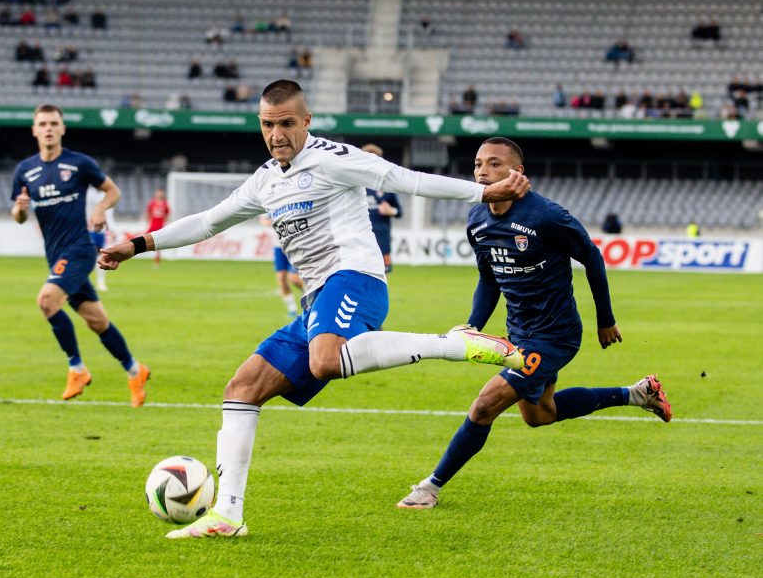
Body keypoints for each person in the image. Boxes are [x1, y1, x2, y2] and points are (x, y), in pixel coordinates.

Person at [99, 80, 530, 538]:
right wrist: (137, 244)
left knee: (323, 361)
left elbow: (402, 178)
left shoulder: (331, 158)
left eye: (286, 123)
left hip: (356, 279)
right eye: (268, 124)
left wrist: (481, 192)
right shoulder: (266, 179)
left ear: (306, 121)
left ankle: (453, 344)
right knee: (242, 388)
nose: (277, 134)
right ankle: (227, 514)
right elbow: (208, 221)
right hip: (318, 301)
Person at [395, 137, 672, 510]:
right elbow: (490, 278)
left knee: (485, 405)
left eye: (494, 163)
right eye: (478, 163)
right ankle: (638, 393)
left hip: (556, 336)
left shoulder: (546, 215)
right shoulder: (476, 217)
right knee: (541, 415)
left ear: (517, 172)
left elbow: (592, 257)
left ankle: (429, 487)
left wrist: (605, 320)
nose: (482, 171)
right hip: (521, 332)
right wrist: (473, 324)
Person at [11, 104, 150, 407]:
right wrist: (20, 209)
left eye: (54, 123)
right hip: (55, 254)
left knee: (46, 301)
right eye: (43, 124)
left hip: (79, 249)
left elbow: (113, 191)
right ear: (35, 130)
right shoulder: (25, 170)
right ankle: (135, 370)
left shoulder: (79, 163)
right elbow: (18, 216)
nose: (48, 128)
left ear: (62, 128)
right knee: (96, 321)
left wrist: (100, 208)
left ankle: (77, 368)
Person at [361, 144, 402, 272]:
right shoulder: (356, 184)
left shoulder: (387, 186)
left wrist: (391, 211)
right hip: (361, 238)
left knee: (383, 275)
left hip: (382, 238)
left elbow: (399, 212)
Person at [261, 214, 303, 317]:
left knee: (294, 279)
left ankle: (310, 294)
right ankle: (292, 310)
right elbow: (264, 220)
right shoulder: (269, 203)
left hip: (293, 245)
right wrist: (273, 223)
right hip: (278, 248)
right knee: (281, 279)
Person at [86, 185, 115, 292]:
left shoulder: (104, 195)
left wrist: (112, 229)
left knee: (102, 256)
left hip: (101, 231)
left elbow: (109, 214)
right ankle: (84, 280)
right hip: (89, 229)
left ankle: (100, 281)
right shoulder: (88, 193)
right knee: (87, 255)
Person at [144, 187, 170, 267]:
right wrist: (146, 221)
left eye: (161, 192)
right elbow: (147, 212)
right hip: (152, 226)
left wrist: (166, 223)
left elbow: (167, 214)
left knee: (159, 246)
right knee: (145, 241)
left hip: (160, 227)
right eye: (158, 192)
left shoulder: (165, 204)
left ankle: (156, 262)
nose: (160, 194)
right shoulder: (152, 203)